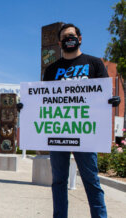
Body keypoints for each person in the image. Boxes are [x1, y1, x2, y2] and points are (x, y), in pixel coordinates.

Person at [42, 23, 120, 218]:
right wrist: (26, 108)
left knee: (91, 180)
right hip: (59, 131)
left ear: (80, 38)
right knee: (58, 181)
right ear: (59, 43)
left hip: (85, 132)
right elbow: (42, 99)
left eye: (72, 35)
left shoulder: (94, 64)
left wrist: (111, 101)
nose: (69, 39)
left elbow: (103, 94)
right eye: (65, 37)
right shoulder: (51, 70)